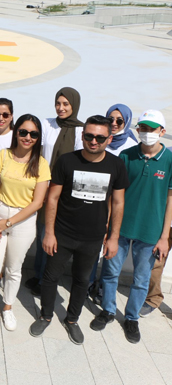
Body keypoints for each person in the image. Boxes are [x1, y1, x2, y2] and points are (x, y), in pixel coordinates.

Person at [29, 115, 128, 345]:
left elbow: (118, 203)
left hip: (92, 238)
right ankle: (45, 315)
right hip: (62, 234)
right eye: (89, 136)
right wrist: (49, 232)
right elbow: (52, 198)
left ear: (109, 139)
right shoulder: (66, 161)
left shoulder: (116, 165)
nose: (94, 141)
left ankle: (72, 319)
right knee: (50, 277)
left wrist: (113, 237)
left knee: (82, 280)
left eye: (100, 138)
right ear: (82, 136)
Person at [92, 110, 172, 343]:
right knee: (110, 272)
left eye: (151, 129)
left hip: (151, 231)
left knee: (141, 279)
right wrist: (108, 226)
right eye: (143, 128)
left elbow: (170, 200)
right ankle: (108, 310)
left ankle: (131, 318)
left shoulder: (169, 160)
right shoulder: (126, 156)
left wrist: (164, 237)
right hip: (121, 227)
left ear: (162, 132)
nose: (146, 133)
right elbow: (114, 194)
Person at [0, 114, 50, 334]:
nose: (27, 137)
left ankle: (7, 307)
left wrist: (8, 222)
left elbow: (37, 202)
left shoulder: (41, 164)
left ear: (38, 137)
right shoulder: (4, 155)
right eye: (23, 132)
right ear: (16, 133)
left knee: (13, 269)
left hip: (22, 221)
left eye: (33, 134)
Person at [25, 87, 85, 295]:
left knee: (53, 236)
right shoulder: (47, 124)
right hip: (43, 187)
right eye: (58, 103)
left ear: (74, 105)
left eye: (66, 104)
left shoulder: (80, 131)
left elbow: (78, 163)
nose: (61, 108)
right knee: (42, 232)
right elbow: (38, 151)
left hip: (63, 192)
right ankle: (38, 274)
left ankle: (46, 280)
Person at [87, 103, 139, 302]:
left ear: (127, 122)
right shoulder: (98, 139)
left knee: (110, 249)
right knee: (92, 247)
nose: (114, 123)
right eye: (111, 119)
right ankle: (88, 282)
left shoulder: (131, 146)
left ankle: (102, 287)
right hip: (96, 202)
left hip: (116, 203)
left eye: (120, 120)